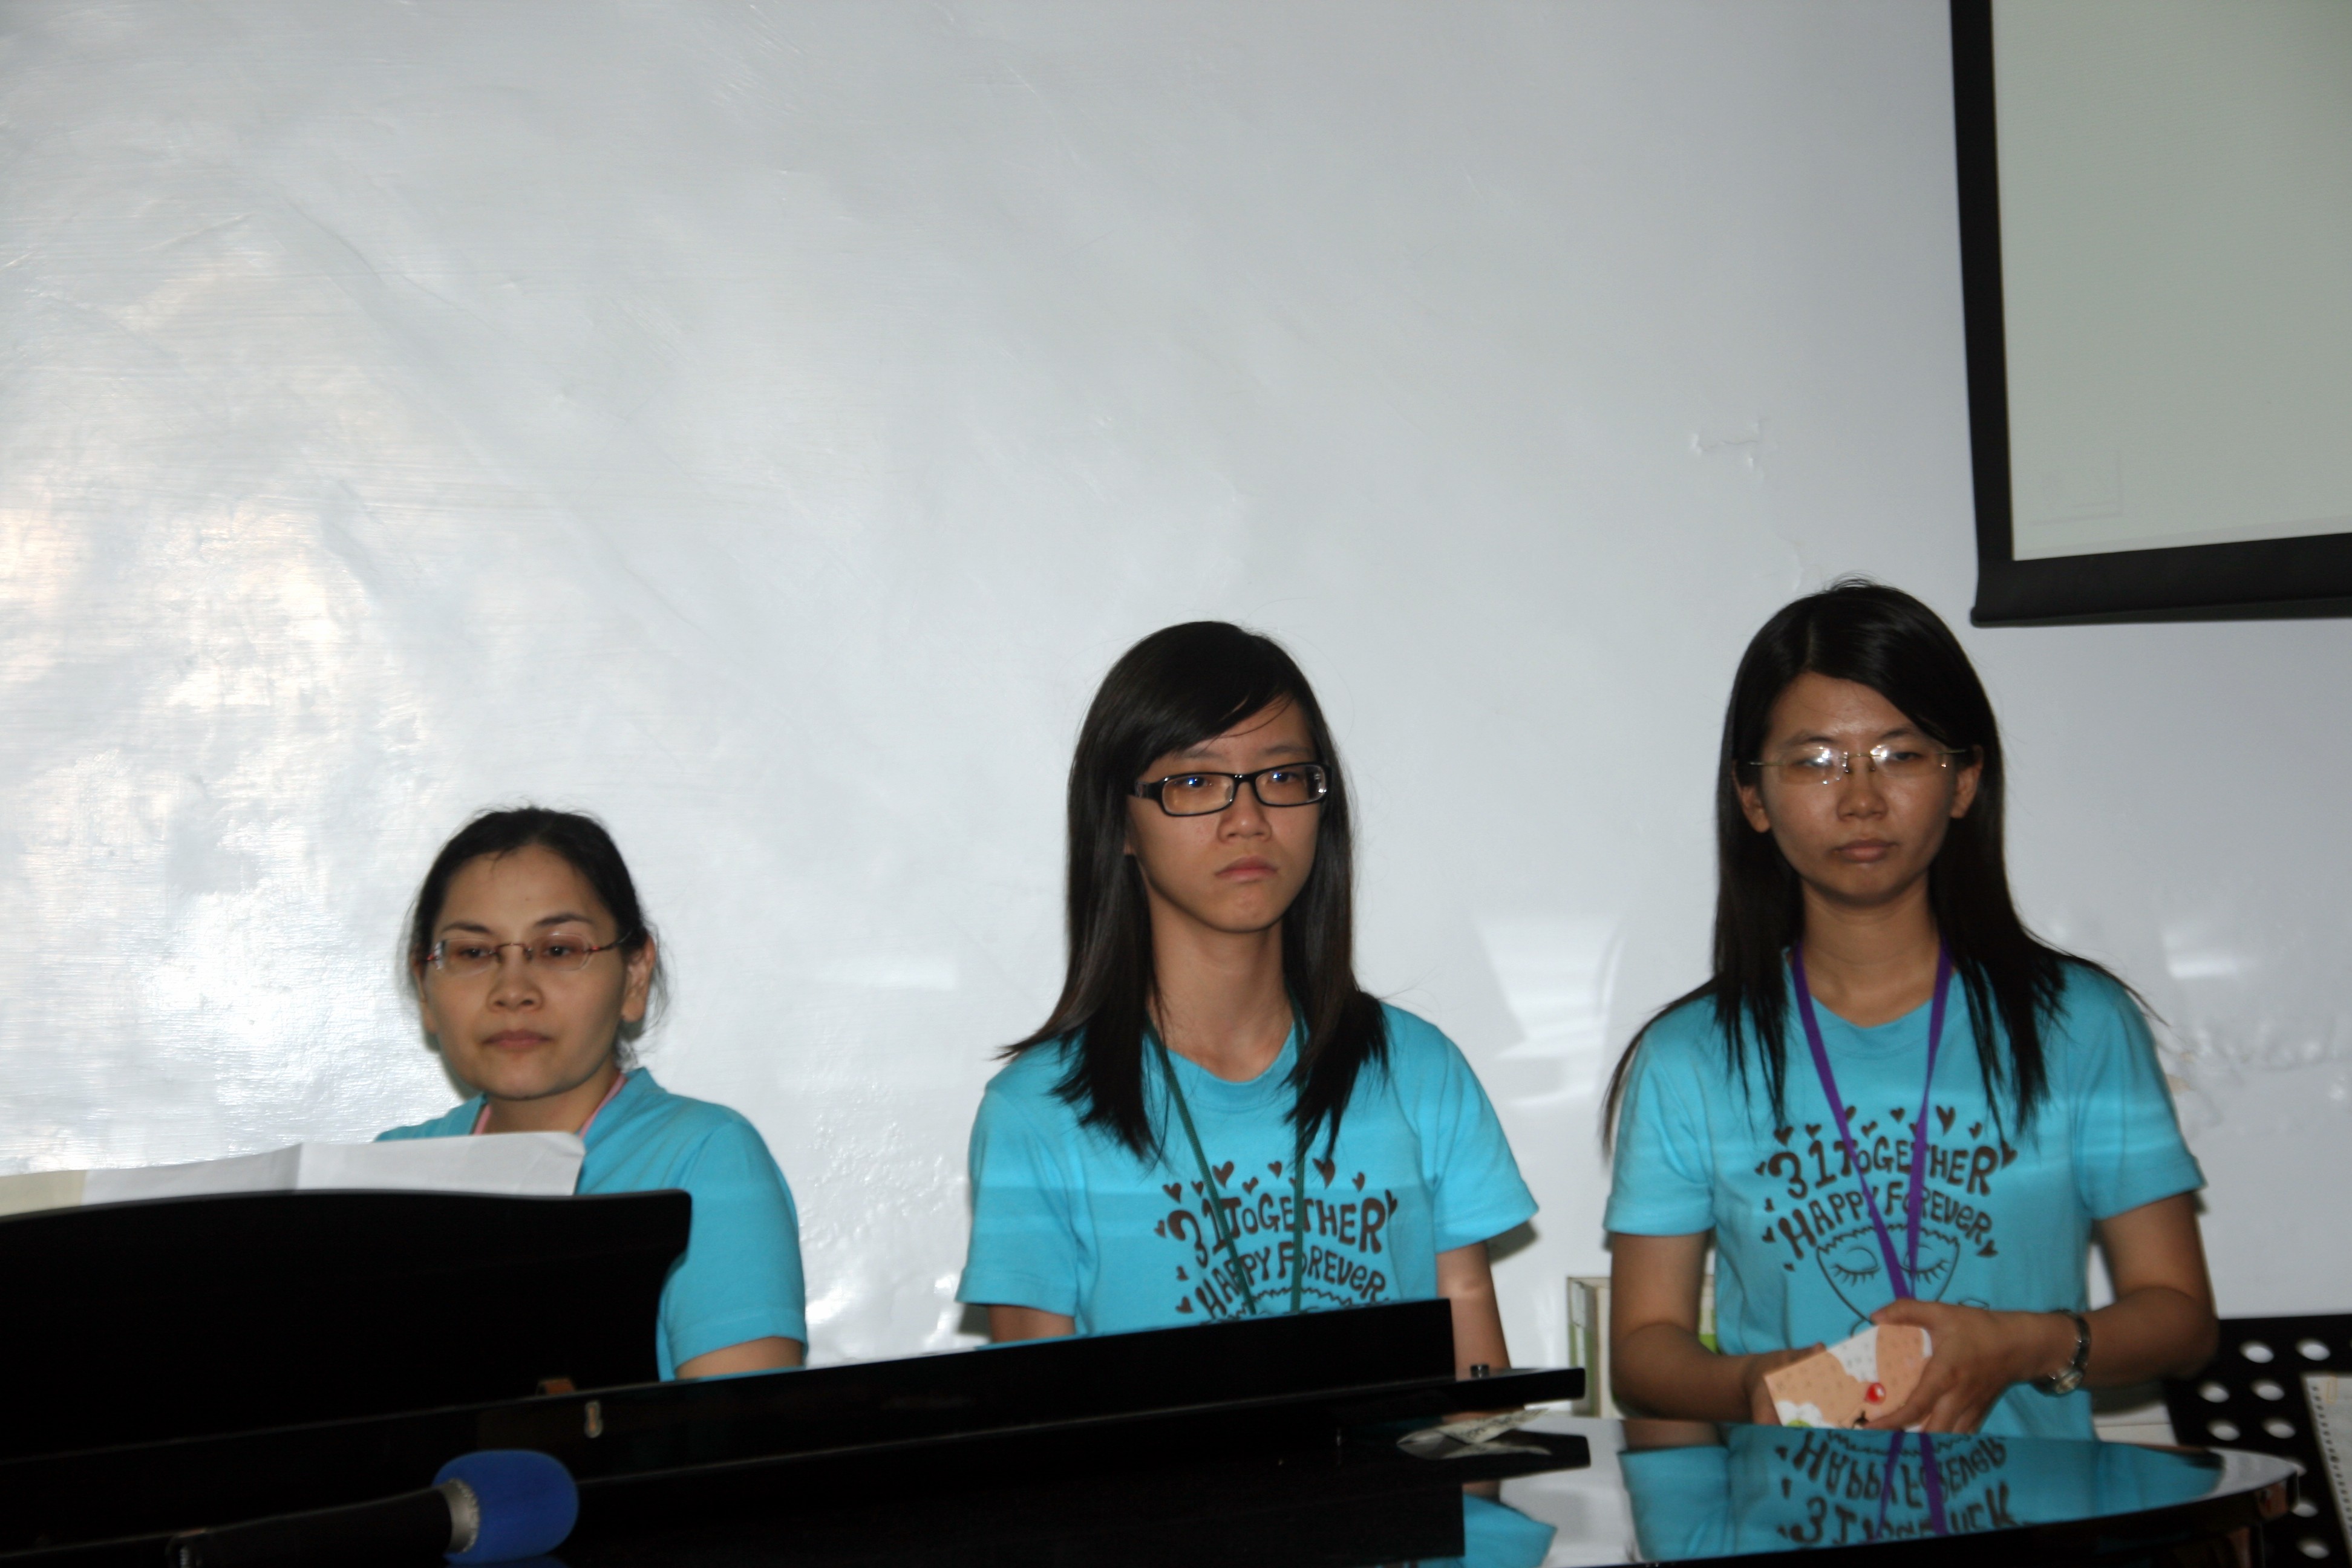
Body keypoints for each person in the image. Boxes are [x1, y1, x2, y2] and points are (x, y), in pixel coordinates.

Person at [1603, 581, 2215, 1438]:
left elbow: (2180, 1316)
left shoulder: (2080, 1024)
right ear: (1753, 798)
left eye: (1901, 755)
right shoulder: (1691, 1056)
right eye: (1815, 761)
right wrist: (1751, 1384)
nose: (1860, 797)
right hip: (1786, 1511)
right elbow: (1643, 1348)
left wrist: (2021, 1344)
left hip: (2033, 1512)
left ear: (1964, 780)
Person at [958, 621, 1535, 1374]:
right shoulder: (1037, 1114)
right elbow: (1043, 1426)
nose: (1248, 820)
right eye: (1195, 783)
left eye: (1283, 777)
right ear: (1119, 823)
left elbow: (1477, 1398)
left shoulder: (1420, 1073)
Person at [380, 806, 806, 1380]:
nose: (513, 990)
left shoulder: (704, 1161)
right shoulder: (389, 1175)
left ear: (634, 975)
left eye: (559, 950)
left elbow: (738, 1429)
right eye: (473, 953)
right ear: (425, 988)